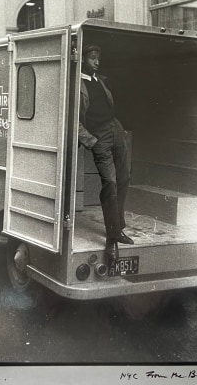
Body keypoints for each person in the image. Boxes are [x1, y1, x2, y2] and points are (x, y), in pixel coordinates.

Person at [79, 43, 134, 261]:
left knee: (124, 178)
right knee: (109, 182)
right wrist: (90, 140)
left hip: (115, 128)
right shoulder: (76, 84)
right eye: (92, 57)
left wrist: (119, 129)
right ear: (83, 59)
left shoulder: (101, 80)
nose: (96, 61)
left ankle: (118, 224)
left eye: (98, 58)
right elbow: (72, 118)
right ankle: (113, 235)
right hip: (99, 135)